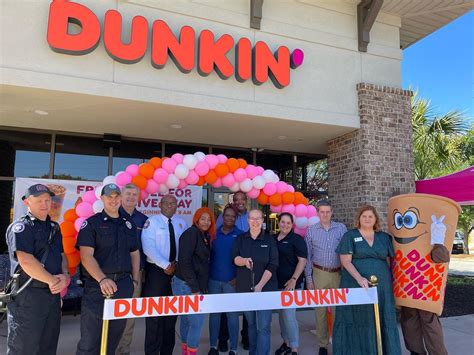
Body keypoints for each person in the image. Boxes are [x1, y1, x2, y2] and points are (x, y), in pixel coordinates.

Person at [76, 183, 140, 355]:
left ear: (121, 198)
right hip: (97, 287)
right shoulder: (91, 224)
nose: (113, 200)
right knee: (90, 339)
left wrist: (134, 280)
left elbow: (134, 253)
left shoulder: (128, 224)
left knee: (114, 336)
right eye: (109, 196)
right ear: (102, 199)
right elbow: (86, 256)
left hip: (123, 286)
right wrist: (102, 279)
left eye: (116, 196)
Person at [6, 184, 69, 355]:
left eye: (47, 200)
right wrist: (52, 280)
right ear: (27, 202)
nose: (44, 203)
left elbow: (62, 256)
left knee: (48, 346)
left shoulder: (54, 228)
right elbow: (26, 260)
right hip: (28, 296)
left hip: (52, 296)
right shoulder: (22, 227)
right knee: (24, 348)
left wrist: (65, 276)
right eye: (39, 200)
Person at [332, 205, 401, 355]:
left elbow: (389, 262)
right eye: (364, 216)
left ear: (375, 219)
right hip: (356, 284)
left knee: (382, 316)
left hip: (382, 286)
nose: (367, 219)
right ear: (359, 219)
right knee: (359, 316)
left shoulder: (384, 237)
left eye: (370, 216)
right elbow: (345, 261)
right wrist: (359, 278)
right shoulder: (350, 236)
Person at [141, 194, 187, 355]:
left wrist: (178, 265)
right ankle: (152, 352)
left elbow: (185, 248)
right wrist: (165, 264)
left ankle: (167, 351)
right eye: (167, 203)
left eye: (173, 203)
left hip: (176, 273)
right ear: (160, 205)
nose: (170, 205)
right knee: (154, 316)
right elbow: (148, 247)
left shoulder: (182, 223)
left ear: (176, 206)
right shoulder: (152, 222)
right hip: (157, 273)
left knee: (171, 316)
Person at [233, 209, 279, 355]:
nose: (255, 221)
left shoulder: (269, 239)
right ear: (248, 220)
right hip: (245, 288)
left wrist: (259, 286)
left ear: (262, 221)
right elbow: (235, 258)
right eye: (252, 218)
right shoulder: (240, 239)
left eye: (258, 218)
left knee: (263, 327)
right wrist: (244, 261)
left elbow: (273, 264)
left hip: (265, 290)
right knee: (251, 325)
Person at [304, 200, 347, 355]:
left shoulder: (341, 228)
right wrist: (309, 278)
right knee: (320, 311)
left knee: (338, 309)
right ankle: (322, 345)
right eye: (322, 212)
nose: (325, 214)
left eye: (328, 211)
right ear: (317, 213)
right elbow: (307, 256)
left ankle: (337, 340)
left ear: (332, 211)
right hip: (319, 273)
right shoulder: (311, 231)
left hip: (337, 273)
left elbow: (346, 252)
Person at [173, 207, 216, 355]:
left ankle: (186, 351)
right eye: (203, 218)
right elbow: (184, 262)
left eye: (209, 219)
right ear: (196, 219)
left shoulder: (204, 235)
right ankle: (191, 351)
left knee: (187, 320)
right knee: (197, 321)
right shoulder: (190, 234)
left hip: (191, 284)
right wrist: (195, 288)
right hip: (186, 284)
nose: (206, 222)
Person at [116, 183, 148, 355]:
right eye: (127, 194)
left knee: (129, 315)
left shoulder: (143, 220)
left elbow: (146, 247)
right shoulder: (112, 215)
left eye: (134, 194)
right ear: (121, 196)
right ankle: (109, 347)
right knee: (112, 313)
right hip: (113, 274)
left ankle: (124, 350)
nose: (131, 197)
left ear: (138, 198)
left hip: (135, 274)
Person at [216, 191, 250, 351]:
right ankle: (223, 338)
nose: (239, 202)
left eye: (241, 199)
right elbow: (215, 237)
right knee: (225, 305)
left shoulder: (252, 217)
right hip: (228, 268)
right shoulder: (224, 218)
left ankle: (246, 336)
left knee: (247, 304)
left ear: (246, 201)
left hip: (248, 267)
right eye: (236, 200)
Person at [208, 204, 242, 355]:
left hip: (231, 282)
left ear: (236, 219)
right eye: (227, 215)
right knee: (214, 316)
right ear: (222, 217)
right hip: (214, 281)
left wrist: (238, 277)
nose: (229, 218)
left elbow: (244, 258)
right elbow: (208, 257)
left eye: (232, 216)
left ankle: (233, 348)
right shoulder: (213, 234)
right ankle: (213, 346)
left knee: (232, 316)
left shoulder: (240, 235)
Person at [274, 213, 307, 355]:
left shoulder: (296, 239)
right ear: (279, 223)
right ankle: (286, 343)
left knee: (289, 316)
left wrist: (293, 279)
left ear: (292, 224)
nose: (285, 225)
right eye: (283, 222)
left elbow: (302, 260)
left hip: (292, 284)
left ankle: (294, 348)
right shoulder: (273, 238)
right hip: (277, 284)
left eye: (288, 223)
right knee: (282, 316)